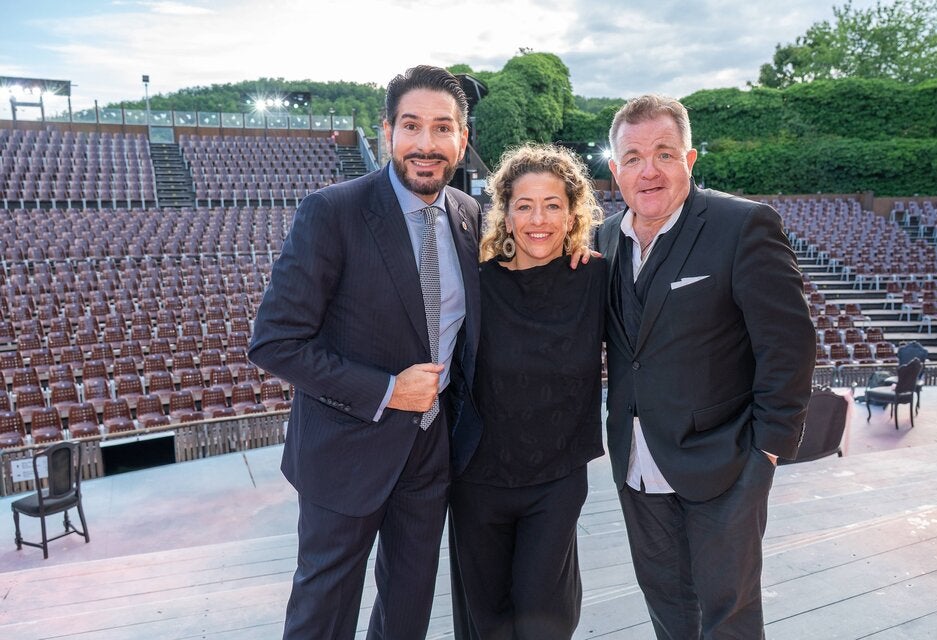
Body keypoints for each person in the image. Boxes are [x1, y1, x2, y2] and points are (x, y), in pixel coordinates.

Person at [248, 65, 481, 640]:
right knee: (324, 612)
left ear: (462, 139)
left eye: (443, 128)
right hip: (344, 451)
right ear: (387, 133)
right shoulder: (333, 211)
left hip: (430, 450)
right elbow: (274, 342)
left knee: (408, 607)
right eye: (412, 126)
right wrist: (386, 390)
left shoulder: (470, 218)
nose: (427, 144)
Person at [595, 95, 816, 639]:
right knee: (668, 612)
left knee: (729, 618)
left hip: (727, 461)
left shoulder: (742, 225)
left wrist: (767, 449)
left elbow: (789, 344)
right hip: (636, 463)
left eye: (664, 154)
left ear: (689, 160)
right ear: (614, 167)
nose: (649, 170)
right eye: (633, 157)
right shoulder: (602, 239)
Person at [448, 143, 606, 639]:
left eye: (553, 205)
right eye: (525, 205)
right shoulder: (475, 285)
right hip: (477, 480)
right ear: (506, 213)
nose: (539, 219)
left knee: (546, 618)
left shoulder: (597, 276)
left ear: (573, 212)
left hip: (556, 480)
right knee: (488, 620)